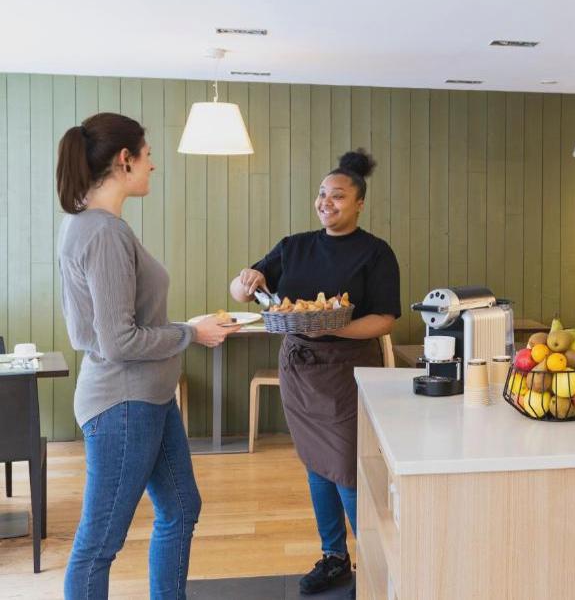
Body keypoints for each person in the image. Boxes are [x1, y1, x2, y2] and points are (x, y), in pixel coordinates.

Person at [56, 113, 240, 600]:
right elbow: (118, 341)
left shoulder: (90, 225)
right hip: (124, 404)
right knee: (98, 546)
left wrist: (184, 328)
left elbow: (104, 328)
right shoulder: (103, 233)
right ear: (125, 160)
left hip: (149, 398)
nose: (152, 165)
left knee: (181, 508)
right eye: (148, 154)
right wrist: (190, 333)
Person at [230, 149, 400, 597]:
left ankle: (382, 564)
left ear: (359, 202)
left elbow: (384, 319)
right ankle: (334, 557)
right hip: (299, 367)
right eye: (322, 194)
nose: (326, 202)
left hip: (349, 371)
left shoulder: (376, 253)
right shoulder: (294, 246)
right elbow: (244, 290)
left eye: (338, 195)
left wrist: (333, 326)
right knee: (315, 463)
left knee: (346, 468)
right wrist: (244, 282)